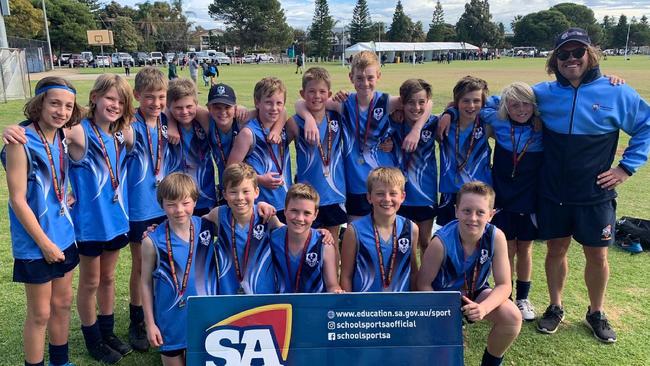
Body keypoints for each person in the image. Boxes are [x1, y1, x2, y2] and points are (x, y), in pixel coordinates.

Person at [534, 27, 650, 343]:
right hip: (554, 192)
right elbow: (495, 102)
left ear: (590, 54)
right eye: (564, 53)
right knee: (556, 250)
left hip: (595, 194)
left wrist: (626, 168)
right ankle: (555, 307)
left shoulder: (616, 91)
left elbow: (647, 126)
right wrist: (450, 111)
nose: (571, 58)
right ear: (555, 59)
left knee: (597, 256)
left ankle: (596, 312)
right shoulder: (542, 93)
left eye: (578, 52)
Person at [2, 77, 83, 366]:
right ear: (39, 104)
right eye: (54, 103)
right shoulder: (20, 141)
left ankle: (60, 361)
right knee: (40, 314)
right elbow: (17, 200)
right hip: (37, 243)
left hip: (63, 233)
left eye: (68, 106)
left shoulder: (62, 135)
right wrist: (45, 244)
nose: (61, 111)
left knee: (62, 305)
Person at [297, 50, 431, 221]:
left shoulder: (387, 102)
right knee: (357, 232)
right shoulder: (344, 103)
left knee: (386, 229)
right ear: (351, 77)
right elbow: (301, 102)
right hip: (356, 182)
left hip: (384, 181)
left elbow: (428, 102)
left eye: (370, 78)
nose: (365, 83)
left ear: (378, 76)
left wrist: (416, 130)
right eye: (359, 78)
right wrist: (308, 118)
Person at [417, 181, 521, 366]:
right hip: (442, 300)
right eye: (466, 211)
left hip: (475, 294)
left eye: (480, 212)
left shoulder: (496, 237)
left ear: (491, 214)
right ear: (456, 211)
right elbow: (423, 284)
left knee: (512, 317)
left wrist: (484, 308)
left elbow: (504, 285)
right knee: (443, 356)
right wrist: (442, 314)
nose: (473, 218)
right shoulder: (440, 243)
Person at [141, 173, 221, 366]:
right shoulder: (152, 241)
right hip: (170, 320)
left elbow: (239, 210)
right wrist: (150, 324)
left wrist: (262, 206)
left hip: (206, 318)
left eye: (185, 203)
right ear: (161, 204)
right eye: (171, 204)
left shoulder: (207, 227)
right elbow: (144, 284)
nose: (179, 210)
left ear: (195, 201)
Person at [483, 82, 544, 321]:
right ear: (506, 106)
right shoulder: (497, 120)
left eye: (526, 104)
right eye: (514, 104)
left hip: (529, 196)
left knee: (525, 248)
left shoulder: (542, 126)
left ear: (534, 106)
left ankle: (523, 298)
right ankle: (505, 295)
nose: (521, 109)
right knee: (506, 247)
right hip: (503, 195)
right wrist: (448, 110)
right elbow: (483, 102)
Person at [125, 66, 172, 351]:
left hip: (164, 206)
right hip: (138, 209)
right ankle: (137, 320)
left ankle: (160, 313)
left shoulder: (167, 121)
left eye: (161, 97)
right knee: (141, 265)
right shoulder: (128, 123)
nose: (156, 103)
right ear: (137, 96)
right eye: (150, 97)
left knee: (164, 262)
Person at [288, 67, 347, 249]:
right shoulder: (296, 121)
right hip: (306, 195)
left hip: (334, 194)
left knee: (332, 243)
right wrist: (307, 117)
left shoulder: (337, 116)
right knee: (307, 243)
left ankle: (333, 278)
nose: (317, 96)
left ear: (328, 94)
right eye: (311, 91)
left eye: (322, 92)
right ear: (303, 93)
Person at [205, 163, 282, 294]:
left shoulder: (267, 218)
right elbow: (191, 226)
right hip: (228, 295)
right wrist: (160, 228)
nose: (240, 197)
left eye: (246, 191)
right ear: (224, 194)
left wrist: (321, 233)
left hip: (264, 296)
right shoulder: (218, 215)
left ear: (256, 192)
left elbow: (293, 233)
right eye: (233, 192)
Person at [340, 167, 419, 292]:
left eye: (393, 193)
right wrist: (350, 306)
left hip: (400, 308)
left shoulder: (411, 229)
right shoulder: (354, 231)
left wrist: (413, 306)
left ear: (402, 197)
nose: (387, 199)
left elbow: (414, 272)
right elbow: (346, 275)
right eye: (380, 194)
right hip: (365, 308)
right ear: (369, 197)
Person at [228, 77, 292, 222]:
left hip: (286, 202)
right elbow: (231, 169)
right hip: (261, 206)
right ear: (257, 102)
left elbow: (285, 111)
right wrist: (259, 179)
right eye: (268, 103)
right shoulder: (248, 133)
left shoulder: (283, 127)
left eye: (279, 103)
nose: (274, 108)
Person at [390, 79, 439, 259]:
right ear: (402, 102)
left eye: (421, 103)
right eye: (410, 102)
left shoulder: (433, 123)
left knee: (425, 242)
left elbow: (437, 105)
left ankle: (425, 284)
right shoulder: (393, 121)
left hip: (425, 193)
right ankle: (409, 283)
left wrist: (417, 129)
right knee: (403, 244)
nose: (416, 107)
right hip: (399, 194)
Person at [436, 76, 492, 227]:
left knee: (478, 240)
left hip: (479, 192)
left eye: (476, 101)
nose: (471, 105)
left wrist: (450, 110)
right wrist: (449, 112)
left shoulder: (487, 124)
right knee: (449, 239)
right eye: (465, 100)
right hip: (451, 192)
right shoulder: (442, 124)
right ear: (457, 102)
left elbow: (505, 105)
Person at [269, 183, 342, 293]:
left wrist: (337, 292)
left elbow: (332, 285)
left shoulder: (324, 244)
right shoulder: (272, 239)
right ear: (285, 210)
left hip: (312, 307)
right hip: (279, 306)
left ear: (315, 215)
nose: (299, 218)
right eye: (294, 211)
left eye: (307, 213)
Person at [165, 78, 217, 216]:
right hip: (176, 200)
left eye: (189, 107)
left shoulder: (205, 120)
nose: (184, 111)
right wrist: (170, 122)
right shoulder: (163, 124)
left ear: (196, 104)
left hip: (205, 196)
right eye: (178, 108)